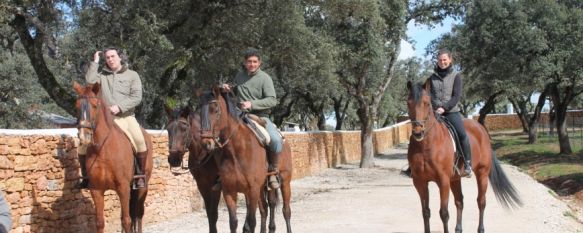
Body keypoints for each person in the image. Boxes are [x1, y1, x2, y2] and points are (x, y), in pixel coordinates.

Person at [77, 47, 148, 189]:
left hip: (125, 117)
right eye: (107, 58)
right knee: (83, 144)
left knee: (140, 141)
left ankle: (140, 175)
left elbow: (136, 97)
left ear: (120, 57)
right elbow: (90, 81)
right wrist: (95, 62)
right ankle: (86, 176)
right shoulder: (102, 75)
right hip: (105, 119)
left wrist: (119, 107)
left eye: (113, 56)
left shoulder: (132, 75)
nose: (110, 59)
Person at [219, 48, 283, 190]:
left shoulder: (265, 78)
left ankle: (273, 171)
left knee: (276, 139)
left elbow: (272, 100)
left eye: (255, 62)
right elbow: (235, 90)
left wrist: (252, 104)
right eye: (249, 62)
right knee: (219, 136)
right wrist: (227, 89)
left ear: (259, 63)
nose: (252, 64)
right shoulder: (240, 76)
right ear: (245, 62)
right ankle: (221, 173)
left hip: (260, 117)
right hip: (239, 116)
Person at [402, 49, 472, 178]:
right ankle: (411, 166)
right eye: (440, 60)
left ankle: (467, 163)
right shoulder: (431, 78)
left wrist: (444, 107)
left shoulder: (456, 76)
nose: (442, 62)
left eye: (445, 60)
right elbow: (429, 96)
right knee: (417, 133)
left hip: (451, 112)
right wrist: (434, 107)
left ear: (450, 60)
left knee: (462, 134)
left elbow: (456, 96)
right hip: (434, 112)